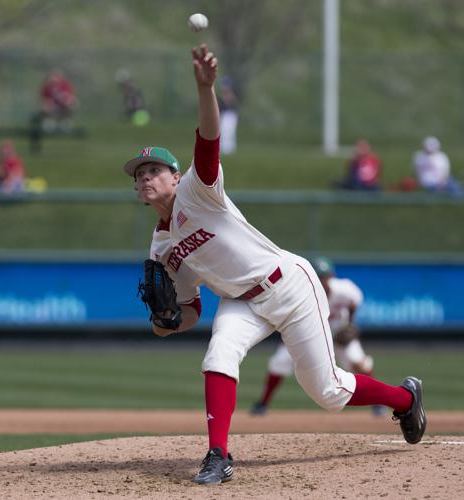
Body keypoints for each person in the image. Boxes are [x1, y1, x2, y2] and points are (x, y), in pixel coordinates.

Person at [122, 44, 426, 486]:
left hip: (289, 285)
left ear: (174, 176)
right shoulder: (160, 250)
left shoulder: (197, 190)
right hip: (240, 303)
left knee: (329, 392)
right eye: (138, 175)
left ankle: (404, 398)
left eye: (153, 170)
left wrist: (206, 90)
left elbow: (208, 140)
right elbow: (189, 310)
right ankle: (218, 455)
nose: (145, 178)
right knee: (219, 353)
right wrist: (166, 323)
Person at [251, 256, 384, 417]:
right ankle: (263, 404)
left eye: (325, 277)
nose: (322, 280)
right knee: (279, 362)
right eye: (319, 277)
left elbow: (354, 302)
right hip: (307, 331)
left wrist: (350, 324)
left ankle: (378, 405)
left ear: (331, 277)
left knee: (358, 362)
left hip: (337, 332)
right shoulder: (298, 292)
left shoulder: (345, 289)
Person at [217, 76, 239, 155]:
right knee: (223, 132)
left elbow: (231, 104)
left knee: (228, 132)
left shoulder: (231, 95)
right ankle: (224, 149)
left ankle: (229, 149)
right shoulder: (223, 95)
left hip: (230, 115)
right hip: (224, 114)